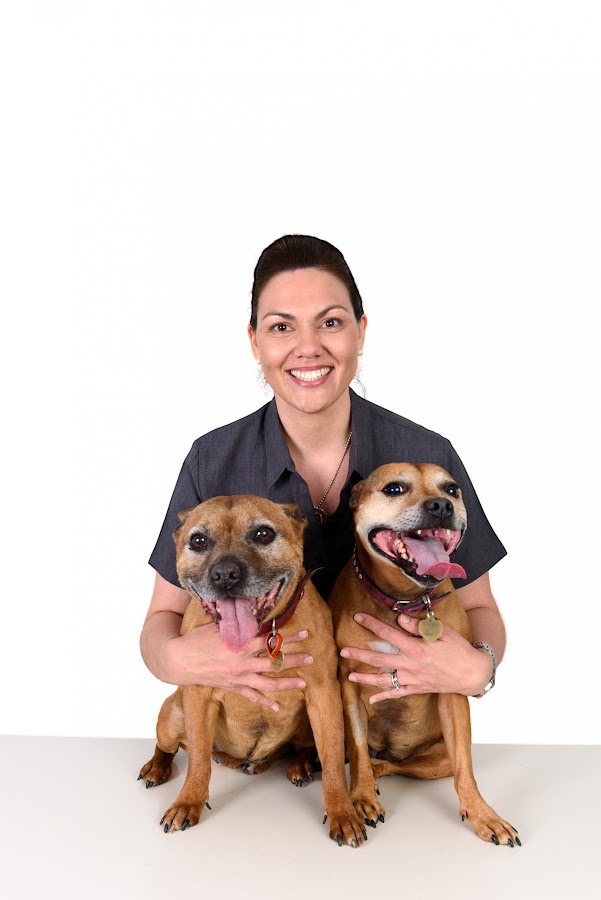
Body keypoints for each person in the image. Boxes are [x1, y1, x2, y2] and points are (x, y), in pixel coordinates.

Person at [141, 234, 506, 711]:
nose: (308, 348)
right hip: (264, 727)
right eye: (281, 327)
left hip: (389, 732)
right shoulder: (213, 459)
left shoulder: (426, 457)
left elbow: (478, 606)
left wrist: (480, 667)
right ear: (255, 342)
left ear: (360, 331)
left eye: (330, 323)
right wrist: (174, 661)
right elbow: (162, 617)